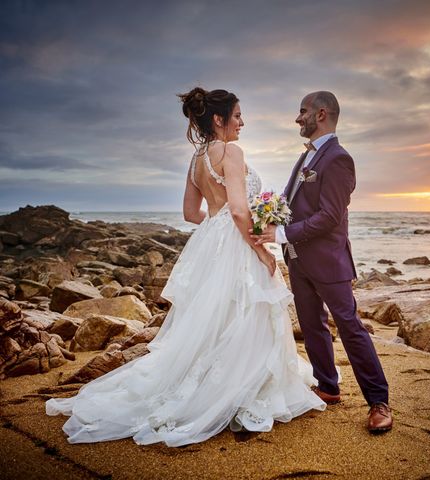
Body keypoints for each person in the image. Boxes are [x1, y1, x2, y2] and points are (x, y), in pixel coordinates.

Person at [45, 88, 325, 446]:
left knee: (212, 318)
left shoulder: (197, 159)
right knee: (243, 313)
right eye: (237, 115)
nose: (243, 122)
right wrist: (263, 251)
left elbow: (191, 214)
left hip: (211, 241)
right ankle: (238, 389)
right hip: (237, 241)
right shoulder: (232, 151)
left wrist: (219, 219)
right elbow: (239, 210)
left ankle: (209, 381)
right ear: (219, 119)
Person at [251, 91, 392, 432]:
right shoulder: (306, 159)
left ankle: (379, 401)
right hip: (299, 259)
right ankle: (328, 386)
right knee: (312, 325)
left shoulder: (338, 159)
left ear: (321, 114)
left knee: (349, 326)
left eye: (303, 112)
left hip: (328, 261)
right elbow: (293, 202)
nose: (298, 118)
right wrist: (267, 217)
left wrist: (281, 235)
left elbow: (330, 216)